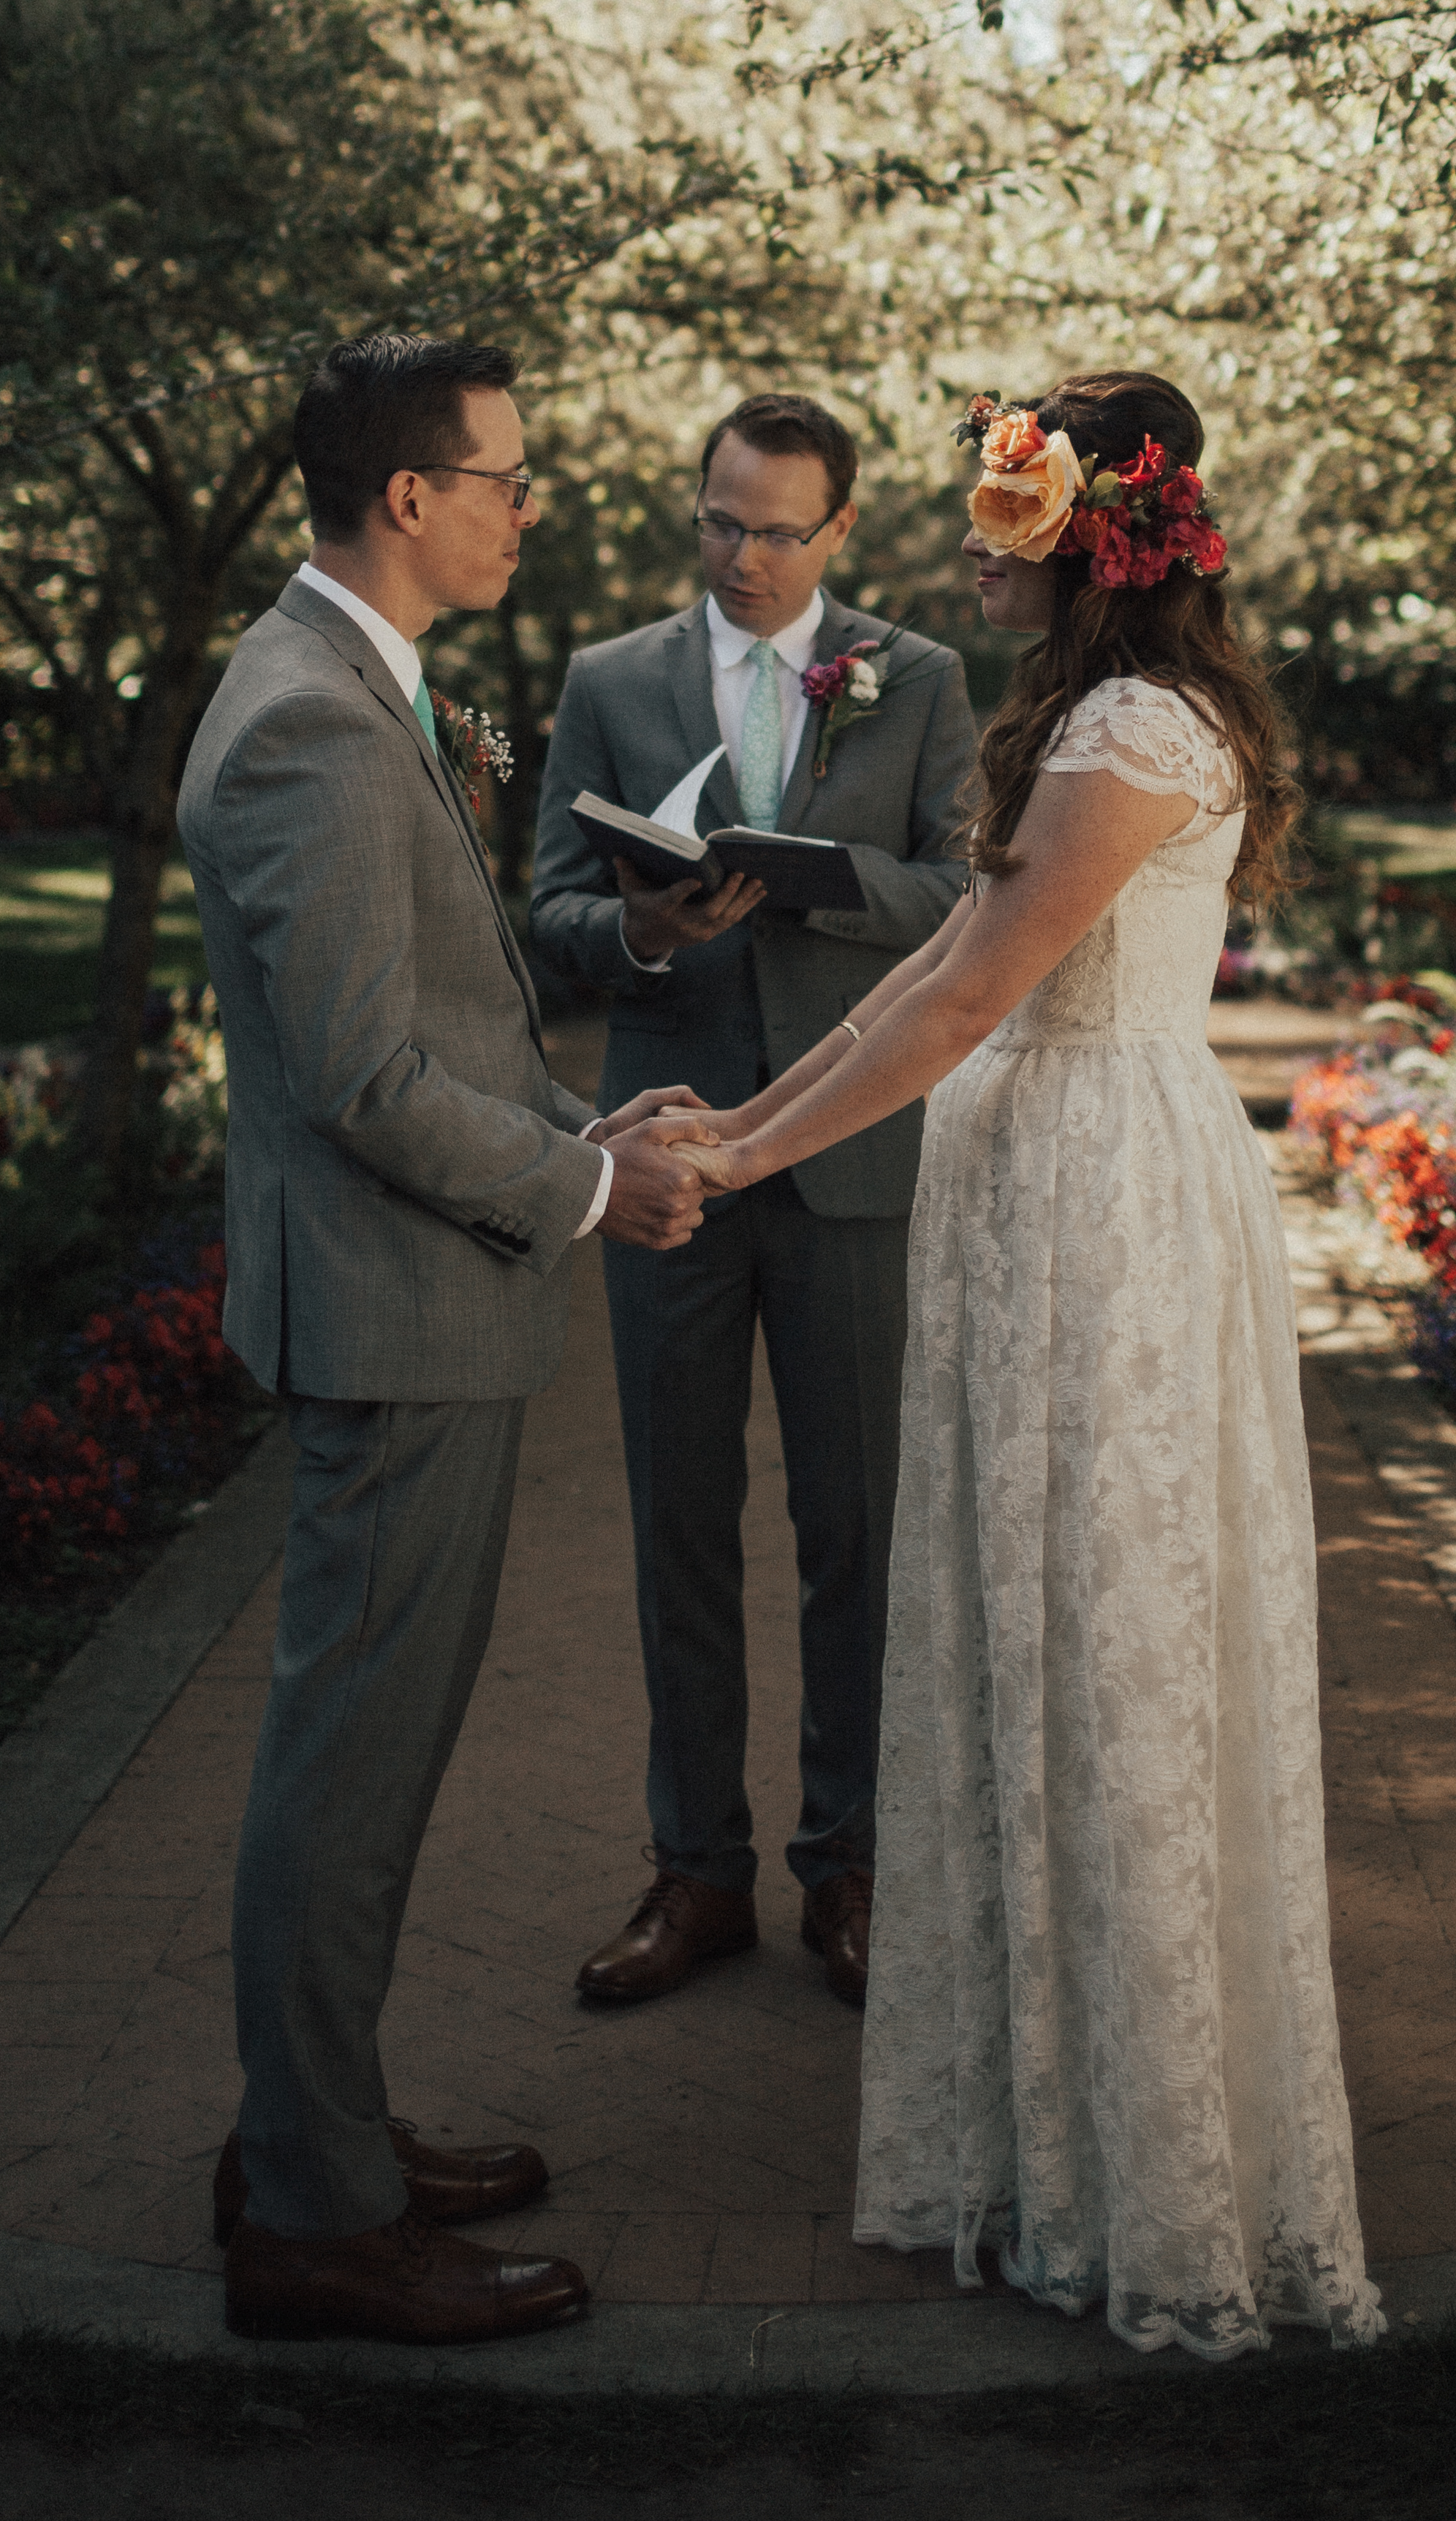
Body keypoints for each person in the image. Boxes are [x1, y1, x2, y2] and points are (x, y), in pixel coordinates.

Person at [690, 372, 1383, 2362]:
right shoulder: (1090, 719)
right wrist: (740, 1118)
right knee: (1026, 1641)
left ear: (1083, 538)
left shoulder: (1138, 730)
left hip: (1106, 1213)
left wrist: (737, 1151)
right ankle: (1040, 2126)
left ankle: (1144, 2173)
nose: (973, 547)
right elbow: (927, 983)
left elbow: (971, 990)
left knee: (1111, 1650)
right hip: (1040, 1189)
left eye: (1002, 517)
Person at [178, 328, 721, 2346]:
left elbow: (448, 1023)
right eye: (504, 473)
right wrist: (588, 1189)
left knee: (365, 1758)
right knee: (347, 1769)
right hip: (398, 1323)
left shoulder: (355, 682)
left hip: (416, 1303)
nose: (527, 502)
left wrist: (590, 1118)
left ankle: (312, 2133)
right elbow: (362, 1078)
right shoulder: (311, 719)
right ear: (409, 496)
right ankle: (313, 2215)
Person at [528, 391, 977, 2012]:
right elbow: (548, 905)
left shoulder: (918, 680)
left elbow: (969, 892)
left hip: (853, 1158)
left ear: (838, 531)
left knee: (853, 1529)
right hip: (670, 1157)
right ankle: (692, 1873)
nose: (742, 555)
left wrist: (812, 882)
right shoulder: (606, 680)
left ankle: (845, 1869)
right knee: (678, 1522)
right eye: (720, 520)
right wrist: (648, 931)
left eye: (777, 530)